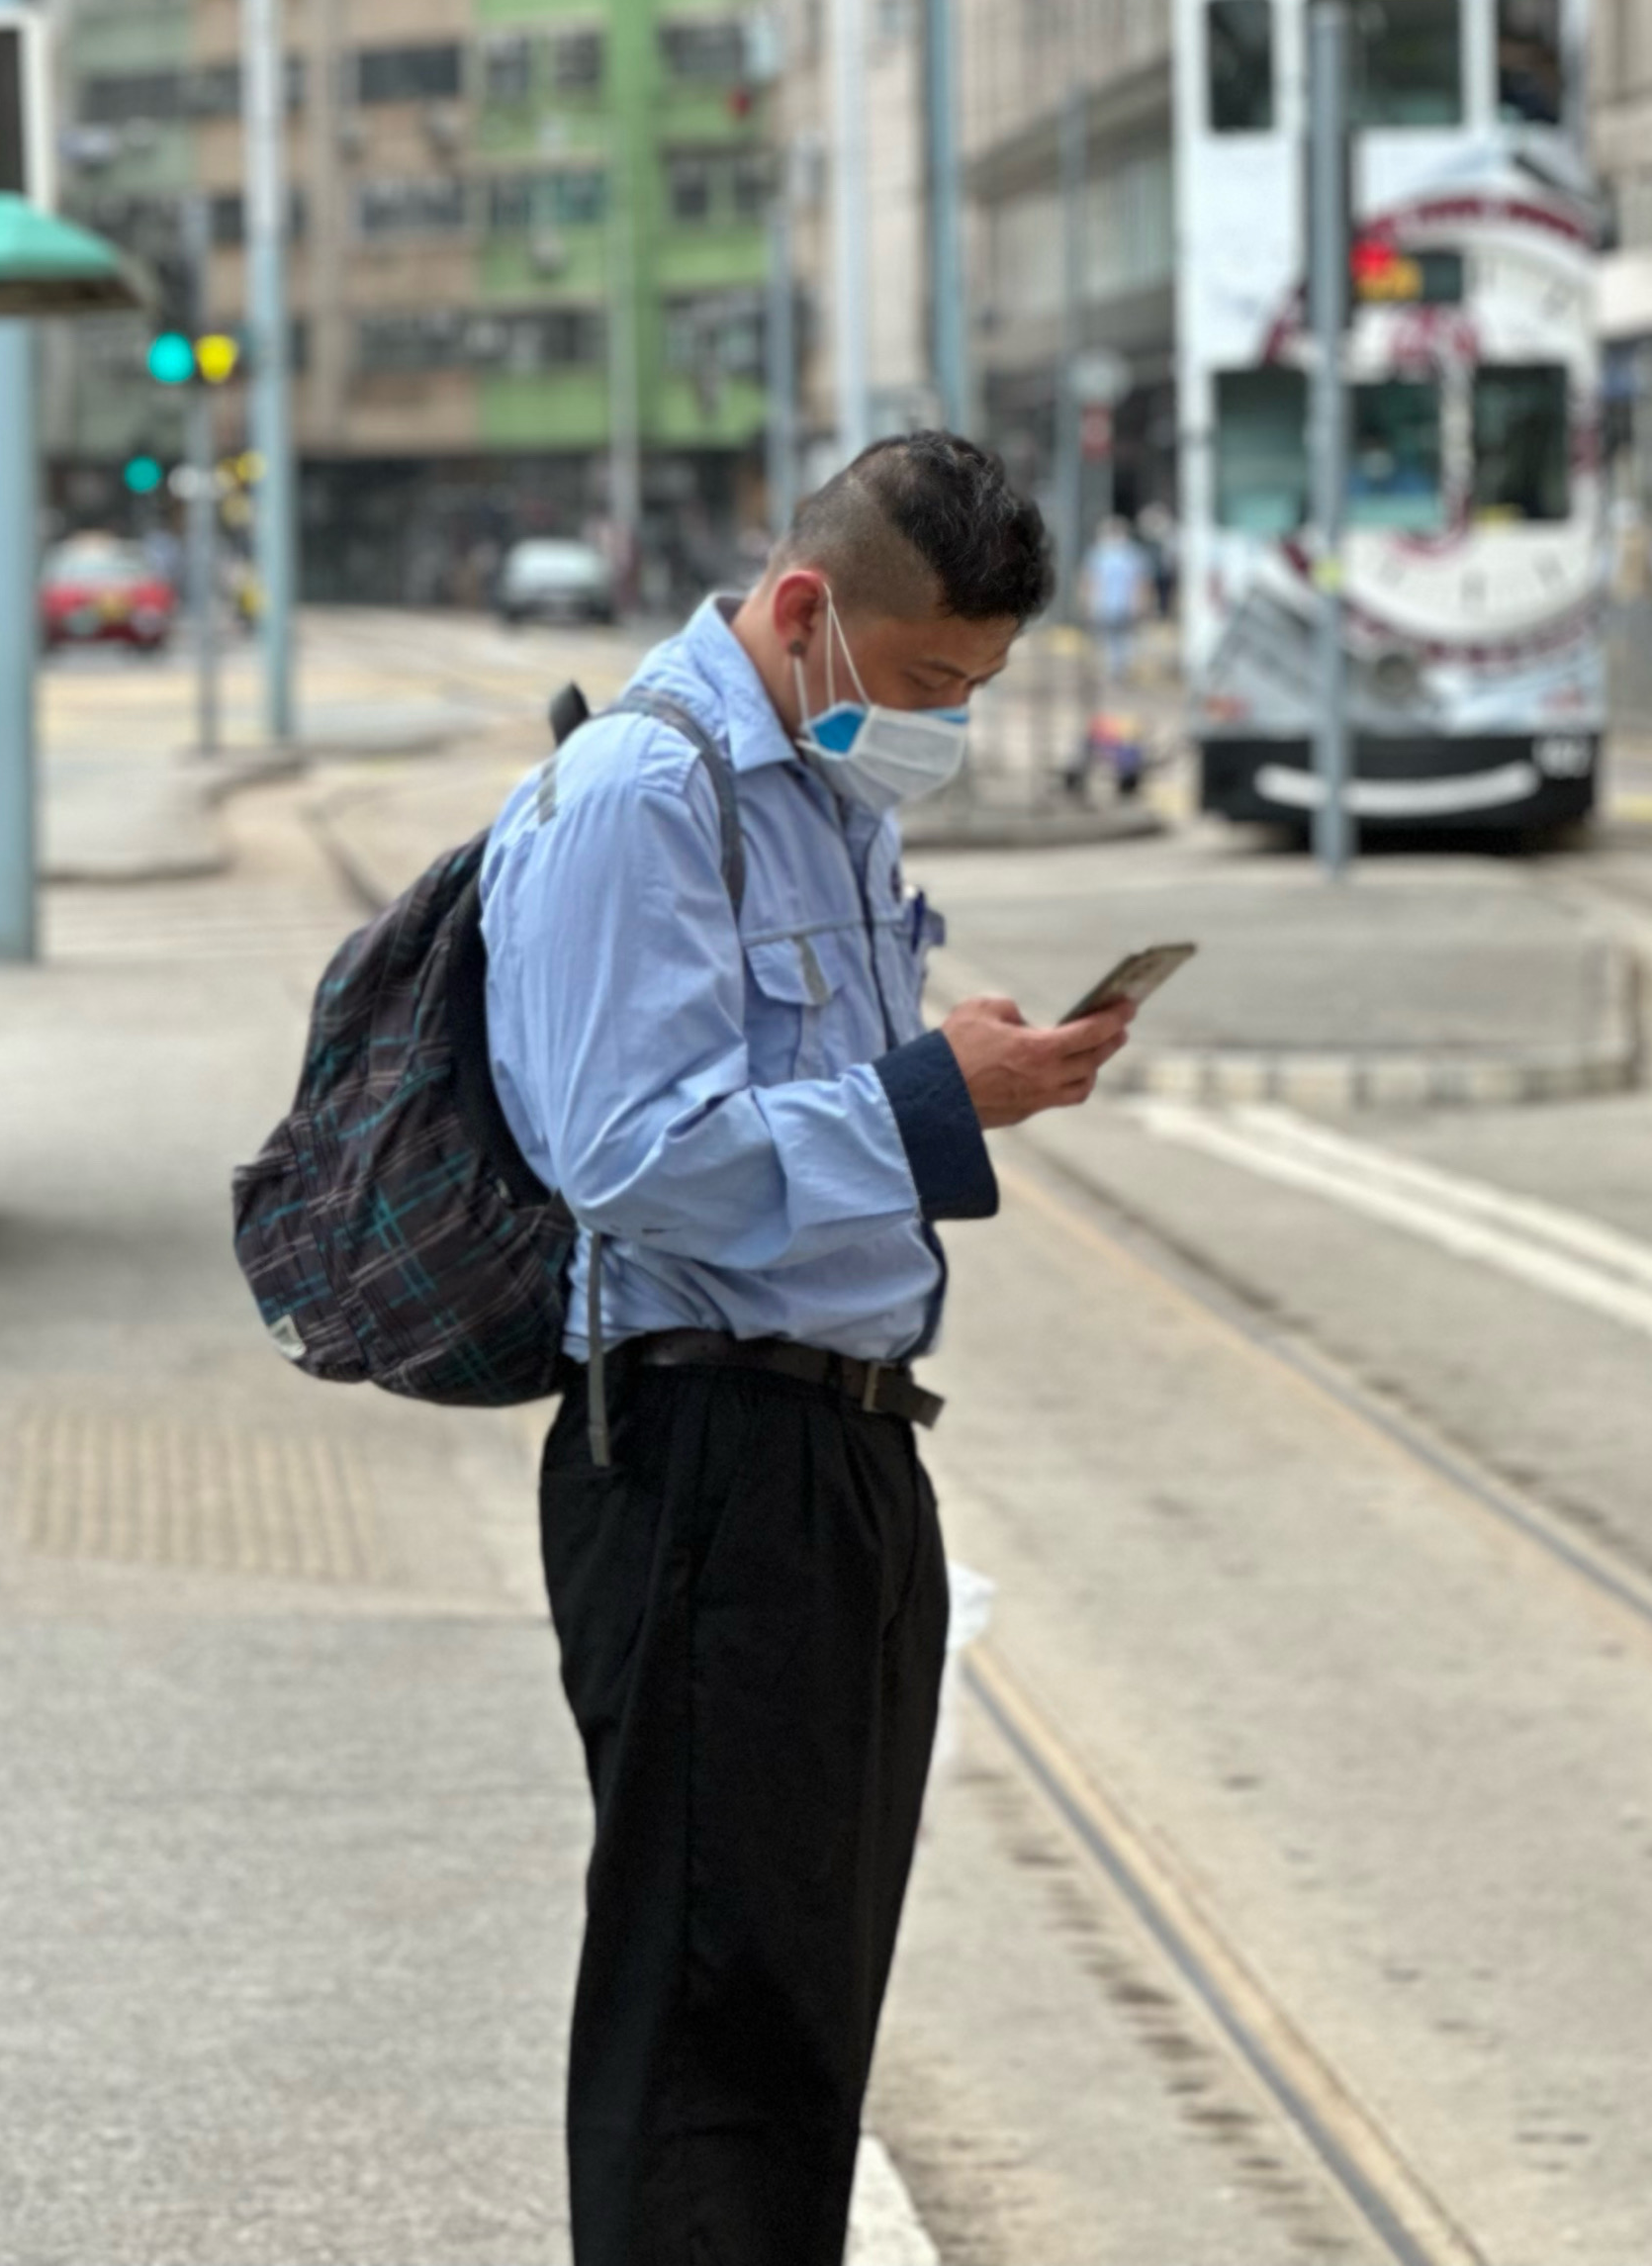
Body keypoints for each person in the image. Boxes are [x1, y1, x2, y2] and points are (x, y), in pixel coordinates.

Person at [480, 432, 1141, 2266]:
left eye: (978, 691)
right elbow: (631, 1152)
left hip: (843, 1454)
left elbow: (783, 1087)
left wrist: (948, 1056)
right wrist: (937, 1101)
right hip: (702, 1456)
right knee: (708, 2021)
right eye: (930, 681)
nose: (943, 721)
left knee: (799, 2012)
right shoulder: (641, 794)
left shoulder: (829, 791)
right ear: (801, 610)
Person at [1082, 509, 1150, 688]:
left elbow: (1140, 581)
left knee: (1123, 641)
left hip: (1124, 604)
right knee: (1108, 641)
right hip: (1105, 604)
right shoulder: (1099, 554)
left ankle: (1120, 673)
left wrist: (1140, 602)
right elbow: (1090, 580)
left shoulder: (1132, 554)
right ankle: (1112, 673)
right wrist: (1089, 603)